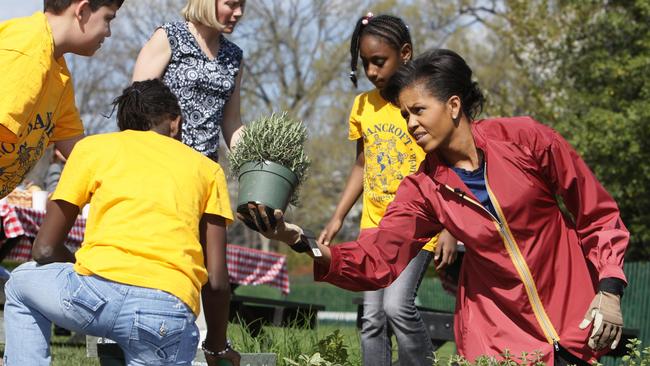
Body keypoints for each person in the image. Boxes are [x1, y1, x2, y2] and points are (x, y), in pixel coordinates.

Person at [250, 49, 629, 365]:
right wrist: (298, 239)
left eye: (418, 111)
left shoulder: (525, 139)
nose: (410, 124)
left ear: (452, 105)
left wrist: (609, 290)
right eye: (404, 116)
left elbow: (596, 214)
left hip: (577, 325)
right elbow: (377, 259)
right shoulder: (423, 189)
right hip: (500, 343)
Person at [2, 79, 241, 366]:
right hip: (165, 312)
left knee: (20, 282)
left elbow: (44, 249)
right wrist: (216, 346)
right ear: (175, 123)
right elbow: (216, 281)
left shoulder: (94, 149)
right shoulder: (208, 170)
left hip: (92, 298)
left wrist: (92, 269)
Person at [316, 13, 456, 366]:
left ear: (405, 53)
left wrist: (447, 228)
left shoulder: (421, 104)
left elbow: (445, 168)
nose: (372, 71)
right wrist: (337, 217)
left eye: (380, 61)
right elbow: (361, 165)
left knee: (397, 306)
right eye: (365, 63)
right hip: (373, 227)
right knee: (372, 319)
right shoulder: (363, 106)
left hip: (415, 228)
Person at [0, 0, 123, 198]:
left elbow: (79, 153)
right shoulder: (27, 51)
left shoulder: (58, 74)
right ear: (82, 10)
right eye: (108, 19)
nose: (108, 32)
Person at [132, 0, 245, 162]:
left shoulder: (234, 57)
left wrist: (257, 159)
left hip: (204, 170)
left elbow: (232, 122)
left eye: (242, 4)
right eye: (231, 4)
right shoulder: (170, 36)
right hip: (161, 161)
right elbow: (135, 103)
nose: (239, 12)